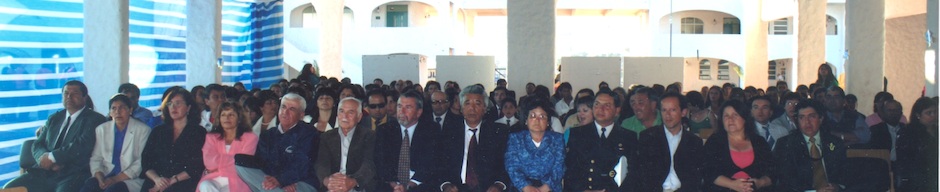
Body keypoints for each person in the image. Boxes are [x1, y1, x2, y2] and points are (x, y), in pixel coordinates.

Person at [5, 80, 108, 192]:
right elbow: (38, 144)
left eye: (75, 93)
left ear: (85, 97)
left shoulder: (95, 119)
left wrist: (53, 158)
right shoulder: (54, 118)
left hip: (73, 174)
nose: (69, 97)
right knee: (10, 189)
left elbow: (82, 145)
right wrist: (43, 158)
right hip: (44, 172)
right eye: (66, 93)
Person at [237, 93, 320, 192]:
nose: (285, 112)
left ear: (301, 115)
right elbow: (263, 164)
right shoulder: (267, 134)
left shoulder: (309, 132)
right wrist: (276, 181)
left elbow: (302, 164)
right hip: (274, 182)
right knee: (238, 164)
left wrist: (282, 180)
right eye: (283, 107)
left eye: (292, 109)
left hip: (302, 182)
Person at [439, 86, 511, 192]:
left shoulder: (498, 133)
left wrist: (499, 185)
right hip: (456, 187)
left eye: (477, 103)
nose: (472, 108)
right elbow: (439, 164)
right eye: (467, 103)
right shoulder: (449, 132)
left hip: (487, 188)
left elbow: (507, 165)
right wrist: (446, 185)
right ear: (462, 108)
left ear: (485, 108)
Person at [565, 90, 639, 191]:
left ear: (617, 110)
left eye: (607, 105)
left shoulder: (628, 137)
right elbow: (570, 169)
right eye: (597, 104)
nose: (601, 109)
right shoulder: (578, 134)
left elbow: (633, 173)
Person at [80, 94, 151, 192]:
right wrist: (99, 176)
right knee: (89, 186)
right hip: (106, 174)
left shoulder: (143, 130)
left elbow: (140, 162)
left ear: (130, 110)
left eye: (122, 108)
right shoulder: (102, 129)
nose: (118, 112)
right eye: (114, 108)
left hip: (130, 178)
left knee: (113, 190)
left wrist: (115, 179)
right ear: (110, 112)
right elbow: (96, 158)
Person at [140, 89, 207, 191]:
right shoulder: (158, 131)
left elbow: (197, 165)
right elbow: (146, 161)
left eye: (178, 103)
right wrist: (157, 180)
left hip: (183, 182)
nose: (173, 107)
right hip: (156, 180)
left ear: (188, 107)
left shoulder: (198, 132)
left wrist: (172, 180)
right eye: (170, 104)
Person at [637, 92, 705, 192]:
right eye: (664, 110)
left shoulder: (694, 142)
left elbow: (694, 179)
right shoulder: (648, 137)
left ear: (683, 112)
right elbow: (641, 173)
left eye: (673, 110)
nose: (668, 115)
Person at [374, 91, 441, 191]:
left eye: (408, 107)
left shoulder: (431, 130)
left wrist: (409, 185)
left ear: (419, 112)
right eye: (400, 106)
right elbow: (380, 162)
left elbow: (430, 164)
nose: (402, 111)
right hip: (391, 185)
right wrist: (395, 185)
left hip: (419, 185)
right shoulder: (384, 130)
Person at [774, 100, 847, 192]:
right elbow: (786, 181)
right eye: (801, 117)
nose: (807, 122)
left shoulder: (835, 142)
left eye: (812, 117)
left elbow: (845, 174)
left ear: (821, 119)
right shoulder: (785, 144)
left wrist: (837, 187)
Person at [703, 100, 774, 191]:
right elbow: (707, 171)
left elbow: (772, 172)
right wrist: (731, 184)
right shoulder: (714, 142)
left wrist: (760, 182)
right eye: (726, 116)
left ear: (745, 118)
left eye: (735, 115)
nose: (730, 119)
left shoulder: (759, 142)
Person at [316, 97, 377, 192]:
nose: (345, 116)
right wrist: (328, 181)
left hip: (357, 185)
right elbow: (321, 164)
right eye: (341, 111)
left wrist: (352, 181)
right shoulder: (326, 136)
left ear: (359, 117)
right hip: (332, 186)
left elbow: (369, 164)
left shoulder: (369, 136)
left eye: (350, 112)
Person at [504, 98, 565, 192]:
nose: (537, 120)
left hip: (550, 189)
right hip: (521, 188)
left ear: (548, 122)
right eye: (532, 116)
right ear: (526, 120)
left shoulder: (557, 139)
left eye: (542, 116)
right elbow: (511, 166)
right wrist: (526, 187)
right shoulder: (515, 138)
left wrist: (545, 188)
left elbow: (559, 167)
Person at [198, 101, 259, 192]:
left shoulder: (250, 137)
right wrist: (231, 161)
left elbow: (242, 164)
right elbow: (209, 162)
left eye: (231, 115)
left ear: (239, 118)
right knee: (205, 185)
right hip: (215, 178)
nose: (226, 118)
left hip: (239, 180)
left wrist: (218, 165)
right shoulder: (211, 137)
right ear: (219, 118)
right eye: (223, 115)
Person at [895, 97, 938, 191]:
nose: (934, 116)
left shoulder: (937, 132)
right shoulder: (908, 133)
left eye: (935, 112)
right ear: (918, 115)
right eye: (929, 113)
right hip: (916, 179)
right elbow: (907, 161)